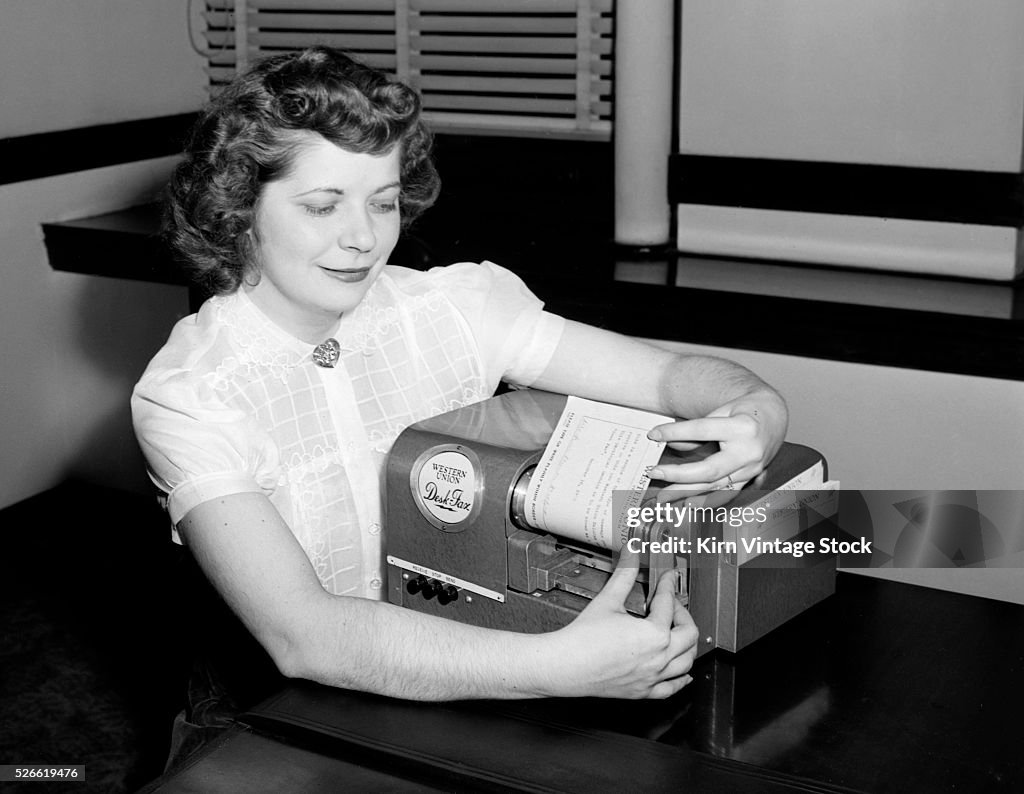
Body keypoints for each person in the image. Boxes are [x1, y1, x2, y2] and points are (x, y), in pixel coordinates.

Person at [132, 46, 788, 762]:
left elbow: (672, 380)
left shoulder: (455, 307)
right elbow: (305, 635)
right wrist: (566, 668)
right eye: (323, 205)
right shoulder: (190, 392)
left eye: (382, 202)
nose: (364, 237)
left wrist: (756, 406)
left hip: (479, 676)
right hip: (274, 719)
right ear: (238, 205)